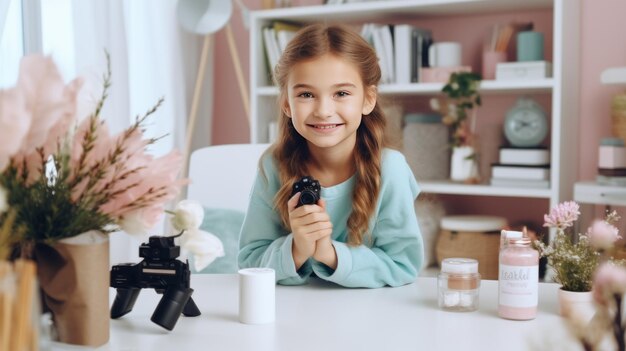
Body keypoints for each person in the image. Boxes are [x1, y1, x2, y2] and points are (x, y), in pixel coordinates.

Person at [238, 23, 423, 288]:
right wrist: (298, 248)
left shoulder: (390, 169)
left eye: (341, 93)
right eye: (306, 94)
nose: (324, 110)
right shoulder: (273, 166)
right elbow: (249, 261)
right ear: (287, 104)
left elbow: (403, 265)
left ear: (368, 99)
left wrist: (327, 253)